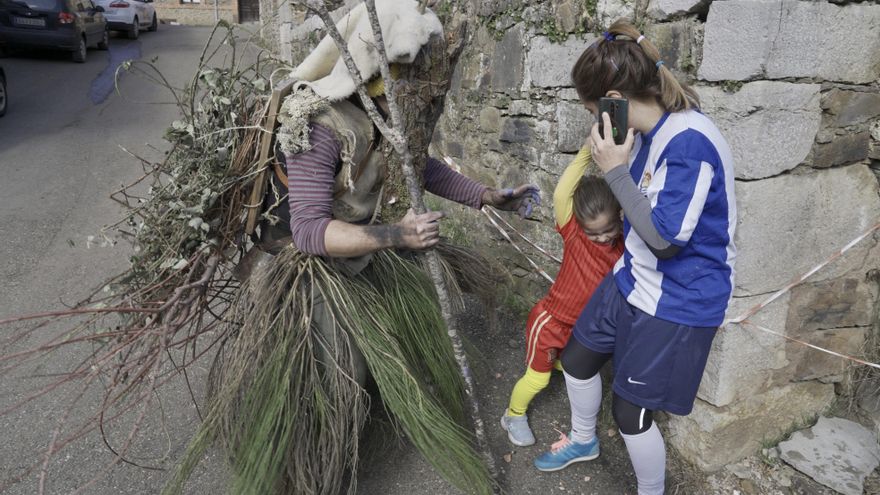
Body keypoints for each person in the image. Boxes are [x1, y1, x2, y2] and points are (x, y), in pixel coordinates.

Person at [533, 19, 736, 495]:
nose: (594, 122)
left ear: (614, 101)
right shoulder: (644, 134)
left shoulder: (690, 144)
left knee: (631, 412)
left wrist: (614, 171)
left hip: (677, 300)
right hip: (633, 276)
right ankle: (583, 440)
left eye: (593, 110)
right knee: (578, 358)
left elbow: (667, 241)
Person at [500, 147, 623, 447]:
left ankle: (555, 363)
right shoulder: (574, 234)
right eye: (594, 233)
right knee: (537, 378)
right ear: (580, 227)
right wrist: (586, 152)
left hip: (581, 328)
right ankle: (513, 414)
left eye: (608, 229)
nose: (603, 237)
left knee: (571, 366)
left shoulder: (624, 244)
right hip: (551, 322)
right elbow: (562, 193)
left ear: (620, 217)